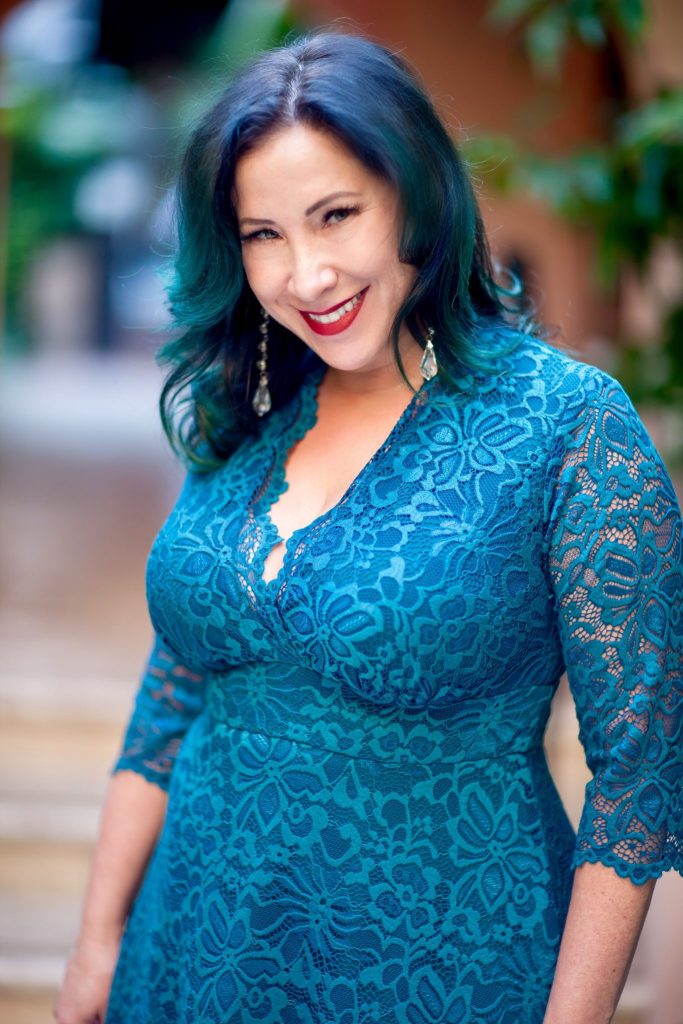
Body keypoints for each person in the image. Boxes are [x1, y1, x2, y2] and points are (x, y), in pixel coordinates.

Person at [54, 29, 682, 1024]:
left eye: (334, 215)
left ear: (413, 194)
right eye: (263, 234)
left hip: (445, 975)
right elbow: (170, 700)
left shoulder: (564, 427)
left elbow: (637, 777)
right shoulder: (248, 408)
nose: (304, 276)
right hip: (186, 965)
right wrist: (96, 947)